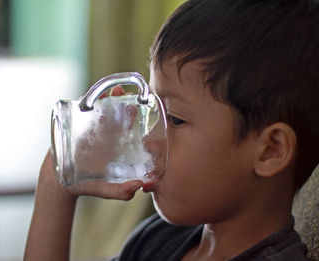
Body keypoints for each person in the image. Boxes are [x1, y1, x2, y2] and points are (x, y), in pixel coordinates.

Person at [24, 0, 319, 260]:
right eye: (152, 112)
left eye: (175, 119)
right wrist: (55, 184)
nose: (148, 139)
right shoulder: (158, 239)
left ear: (270, 151)